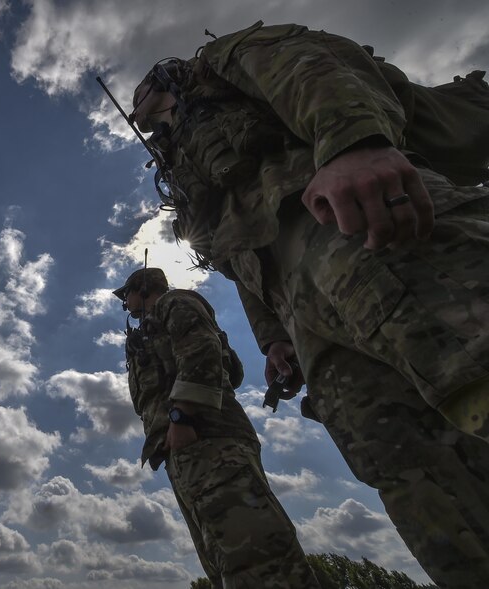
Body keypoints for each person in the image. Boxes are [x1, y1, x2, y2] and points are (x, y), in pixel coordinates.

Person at [127, 21, 489, 588]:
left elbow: (305, 64)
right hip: (305, 316)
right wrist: (274, 339)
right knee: (407, 467)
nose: (138, 112)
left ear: (159, 80)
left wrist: (353, 144)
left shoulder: (220, 65)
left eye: (142, 98)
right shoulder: (184, 172)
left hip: (360, 225)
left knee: (470, 362)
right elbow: (234, 257)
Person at [113, 267, 320, 589]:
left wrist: (182, 417)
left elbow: (201, 351)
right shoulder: (149, 330)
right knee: (225, 561)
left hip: (207, 438)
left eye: (126, 295)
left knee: (258, 559)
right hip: (184, 449)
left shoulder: (174, 303)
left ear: (141, 287)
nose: (125, 305)